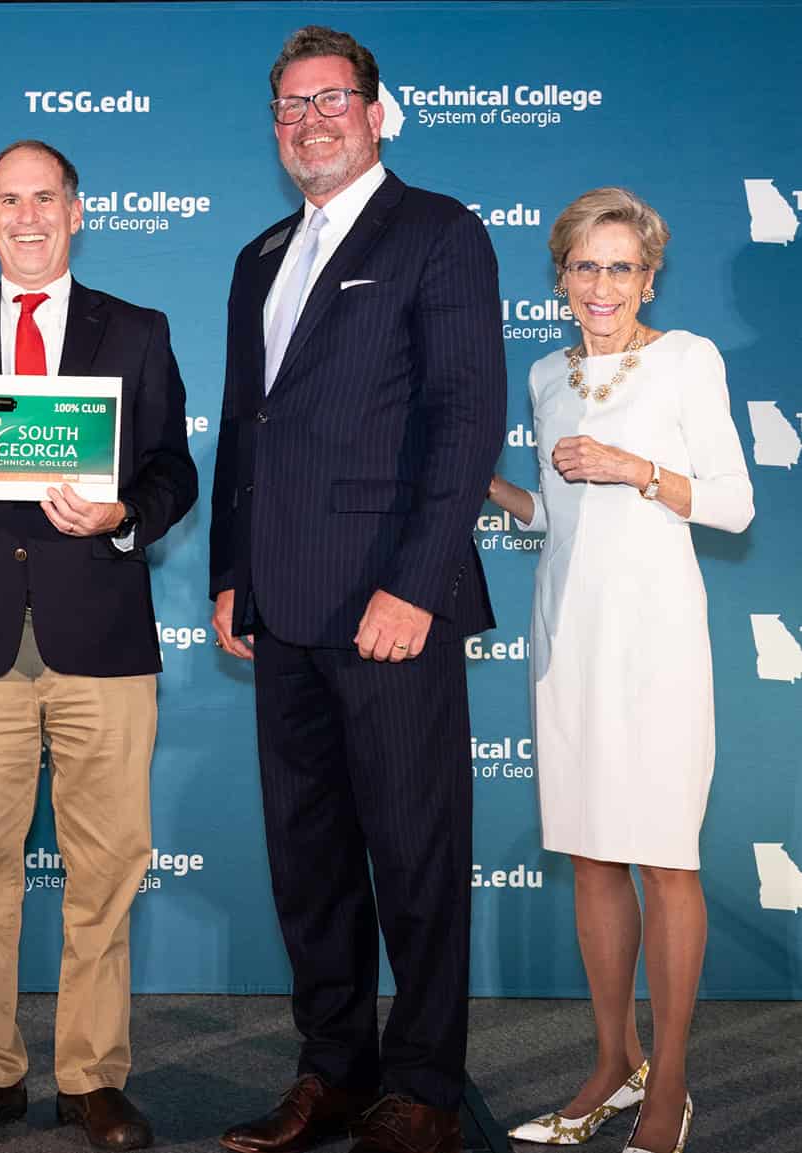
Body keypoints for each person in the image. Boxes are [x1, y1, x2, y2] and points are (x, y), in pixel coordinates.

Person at [210, 26, 506, 1153]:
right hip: (280, 610)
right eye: (290, 106)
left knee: (416, 854)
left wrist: (415, 585)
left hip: (391, 609)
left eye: (332, 99)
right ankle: (332, 1069)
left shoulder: (436, 231)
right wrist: (230, 573)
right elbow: (251, 427)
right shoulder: (258, 255)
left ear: (376, 112)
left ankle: (422, 1085)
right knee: (309, 861)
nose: (310, 120)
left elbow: (463, 417)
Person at [0, 139, 196, 1151]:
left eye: (43, 199)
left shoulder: (137, 330)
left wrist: (119, 515)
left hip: (101, 637)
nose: (25, 216)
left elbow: (171, 473)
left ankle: (92, 1078)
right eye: (7, 201)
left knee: (106, 866)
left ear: (76, 211)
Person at [491, 187, 752, 1153]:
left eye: (621, 267)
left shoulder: (687, 359)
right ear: (560, 275)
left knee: (664, 859)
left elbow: (732, 505)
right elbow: (556, 519)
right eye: (584, 265)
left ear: (648, 276)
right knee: (593, 857)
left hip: (656, 643)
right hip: (567, 639)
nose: (601, 284)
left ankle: (668, 1086)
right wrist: (483, 484)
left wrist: (632, 466)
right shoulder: (542, 374)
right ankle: (611, 1063)